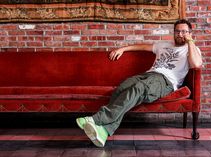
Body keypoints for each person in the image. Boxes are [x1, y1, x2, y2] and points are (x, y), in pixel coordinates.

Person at [76, 19, 203, 147]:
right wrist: (123, 49)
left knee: (139, 88)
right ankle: (104, 131)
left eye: (184, 32)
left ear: (189, 33)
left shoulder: (191, 49)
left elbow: (196, 64)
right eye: (177, 31)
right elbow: (142, 46)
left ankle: (96, 119)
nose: (180, 34)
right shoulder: (163, 45)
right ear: (174, 32)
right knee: (122, 88)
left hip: (165, 81)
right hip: (148, 75)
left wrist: (190, 41)